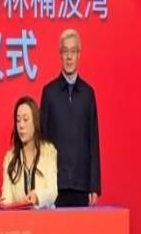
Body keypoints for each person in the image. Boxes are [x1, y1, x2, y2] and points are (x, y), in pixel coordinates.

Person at [40, 28, 101, 207]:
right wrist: (41, 183)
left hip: (81, 185)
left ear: (79, 55)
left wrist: (94, 186)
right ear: (60, 55)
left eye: (73, 51)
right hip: (54, 184)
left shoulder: (88, 94)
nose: (69, 57)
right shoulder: (49, 92)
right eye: (65, 51)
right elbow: (42, 140)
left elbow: (93, 141)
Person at [0, 96, 57, 208]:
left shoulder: (49, 152)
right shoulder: (10, 158)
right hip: (19, 219)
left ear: (35, 121)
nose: (21, 125)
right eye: (18, 120)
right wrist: (1, 204)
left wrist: (37, 196)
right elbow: (7, 198)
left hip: (45, 217)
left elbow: (53, 191)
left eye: (26, 119)